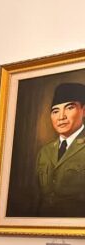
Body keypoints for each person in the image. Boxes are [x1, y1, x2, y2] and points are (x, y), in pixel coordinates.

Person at [36, 82, 85, 217]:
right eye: (55, 111)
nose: (61, 117)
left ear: (83, 110)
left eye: (69, 108)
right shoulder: (45, 152)